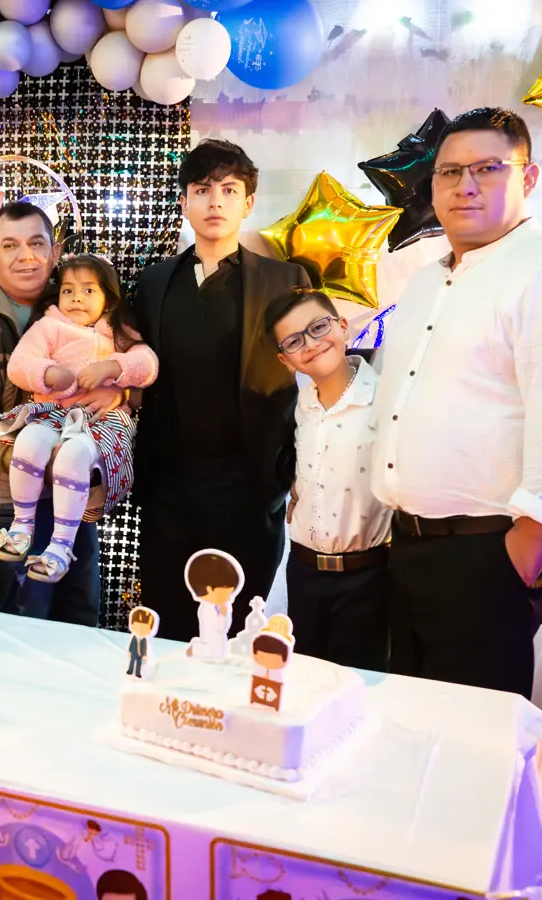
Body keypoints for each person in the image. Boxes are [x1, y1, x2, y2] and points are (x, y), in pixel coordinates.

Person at [372, 108, 542, 698]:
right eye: (450, 171)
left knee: (473, 733)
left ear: (528, 178)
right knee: (409, 722)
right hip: (409, 547)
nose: (466, 185)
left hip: (487, 552)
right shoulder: (426, 281)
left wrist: (525, 545)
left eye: (487, 168)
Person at [133, 139, 311, 641]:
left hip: (250, 487)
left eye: (229, 190)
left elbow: (314, 378)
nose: (215, 202)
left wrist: (292, 475)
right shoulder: (152, 284)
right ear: (184, 201)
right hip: (169, 489)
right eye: (202, 189)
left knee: (240, 632)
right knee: (167, 626)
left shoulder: (285, 281)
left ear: (248, 203)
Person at [0, 202, 124, 623]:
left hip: (74, 498)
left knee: (81, 619)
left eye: (36, 243)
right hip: (14, 503)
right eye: (10, 245)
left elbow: (132, 364)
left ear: (54, 251)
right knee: (27, 626)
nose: (25, 256)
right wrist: (43, 464)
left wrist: (120, 394)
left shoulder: (81, 308)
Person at [0, 254, 159, 582]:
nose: (76, 298)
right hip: (54, 414)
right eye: (68, 290)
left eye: (88, 290)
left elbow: (148, 364)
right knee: (29, 440)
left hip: (102, 421)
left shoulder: (118, 330)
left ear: (109, 298)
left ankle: (61, 545)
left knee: (72, 456)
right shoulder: (49, 326)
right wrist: (48, 373)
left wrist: (114, 367)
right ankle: (22, 525)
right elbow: (19, 364)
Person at [267, 288, 390, 671]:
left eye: (318, 327)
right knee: (305, 679)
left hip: (368, 577)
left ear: (342, 326)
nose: (311, 344)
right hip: (304, 572)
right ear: (284, 359)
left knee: (358, 685)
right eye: (294, 341)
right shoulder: (301, 406)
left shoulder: (385, 400)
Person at [184, 550, 243, 659]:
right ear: (210, 590)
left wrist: (225, 612)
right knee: (213, 652)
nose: (230, 597)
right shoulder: (207, 609)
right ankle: (194, 648)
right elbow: (220, 626)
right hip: (211, 641)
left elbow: (225, 626)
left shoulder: (218, 606)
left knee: (219, 652)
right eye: (227, 593)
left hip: (218, 641)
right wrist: (223, 613)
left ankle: (197, 646)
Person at [125, 606, 158, 678]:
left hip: (140, 654)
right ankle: (130, 670)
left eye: (145, 628)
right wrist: (129, 651)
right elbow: (132, 644)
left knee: (139, 663)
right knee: (132, 661)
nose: (140, 629)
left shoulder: (144, 640)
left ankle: (138, 673)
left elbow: (145, 647)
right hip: (134, 652)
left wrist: (145, 655)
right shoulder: (134, 637)